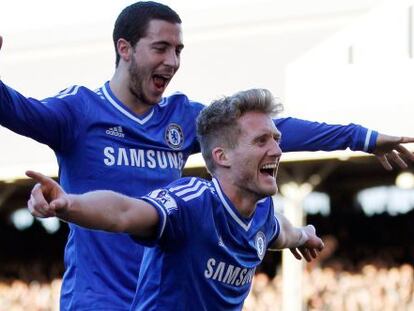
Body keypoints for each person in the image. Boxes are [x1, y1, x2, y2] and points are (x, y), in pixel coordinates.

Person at [0, 1, 413, 310]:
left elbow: (269, 131)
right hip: (99, 300)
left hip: (166, 298)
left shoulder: (184, 117)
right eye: (161, 48)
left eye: (179, 50)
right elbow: (15, 110)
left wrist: (361, 136)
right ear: (124, 48)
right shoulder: (78, 111)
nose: (173, 61)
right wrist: (66, 203)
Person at [26, 88, 325, 310]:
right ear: (222, 156)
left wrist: (305, 235)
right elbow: (125, 212)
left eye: (276, 139)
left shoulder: (261, 215)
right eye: (261, 141)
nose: (276, 151)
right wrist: (69, 204)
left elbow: (281, 230)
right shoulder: (190, 204)